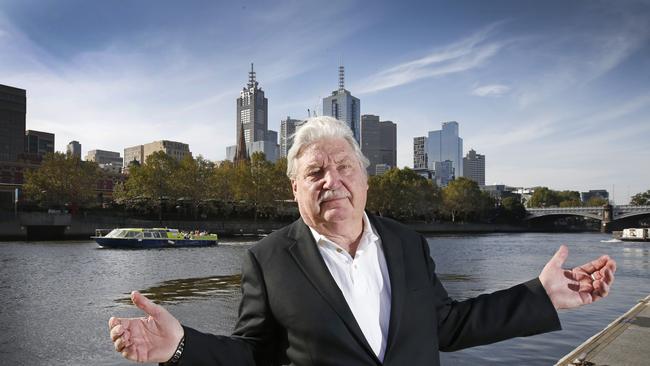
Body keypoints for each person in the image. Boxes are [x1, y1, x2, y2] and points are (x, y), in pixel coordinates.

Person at [109, 116, 616, 366]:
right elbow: (255, 356)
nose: (333, 180)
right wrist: (180, 348)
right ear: (295, 188)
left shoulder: (408, 242)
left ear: (365, 179)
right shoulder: (267, 259)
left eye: (344, 167)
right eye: (316, 172)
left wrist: (541, 296)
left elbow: (445, 326)